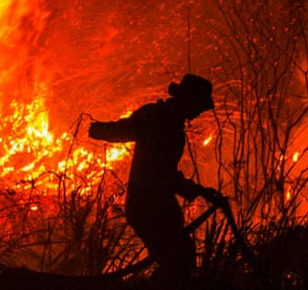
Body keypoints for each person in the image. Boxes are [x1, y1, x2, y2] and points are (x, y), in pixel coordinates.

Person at [89, 74, 222, 286]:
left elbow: (164, 171)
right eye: (198, 106)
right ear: (188, 102)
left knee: (181, 260)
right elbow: (160, 172)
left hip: (157, 205)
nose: (199, 113)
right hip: (149, 206)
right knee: (177, 263)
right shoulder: (159, 120)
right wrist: (100, 130)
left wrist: (200, 191)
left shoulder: (165, 120)